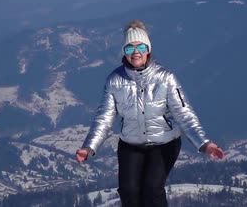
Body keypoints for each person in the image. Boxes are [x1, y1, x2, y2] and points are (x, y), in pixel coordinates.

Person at [76, 19, 225, 207]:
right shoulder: (114, 80)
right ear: (124, 52)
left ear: (148, 49)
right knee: (128, 191)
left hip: (164, 144)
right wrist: (89, 148)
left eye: (140, 47)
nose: (135, 53)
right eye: (129, 48)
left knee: (152, 190)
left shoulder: (166, 78)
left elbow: (184, 114)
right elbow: (103, 118)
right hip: (130, 144)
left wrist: (204, 144)